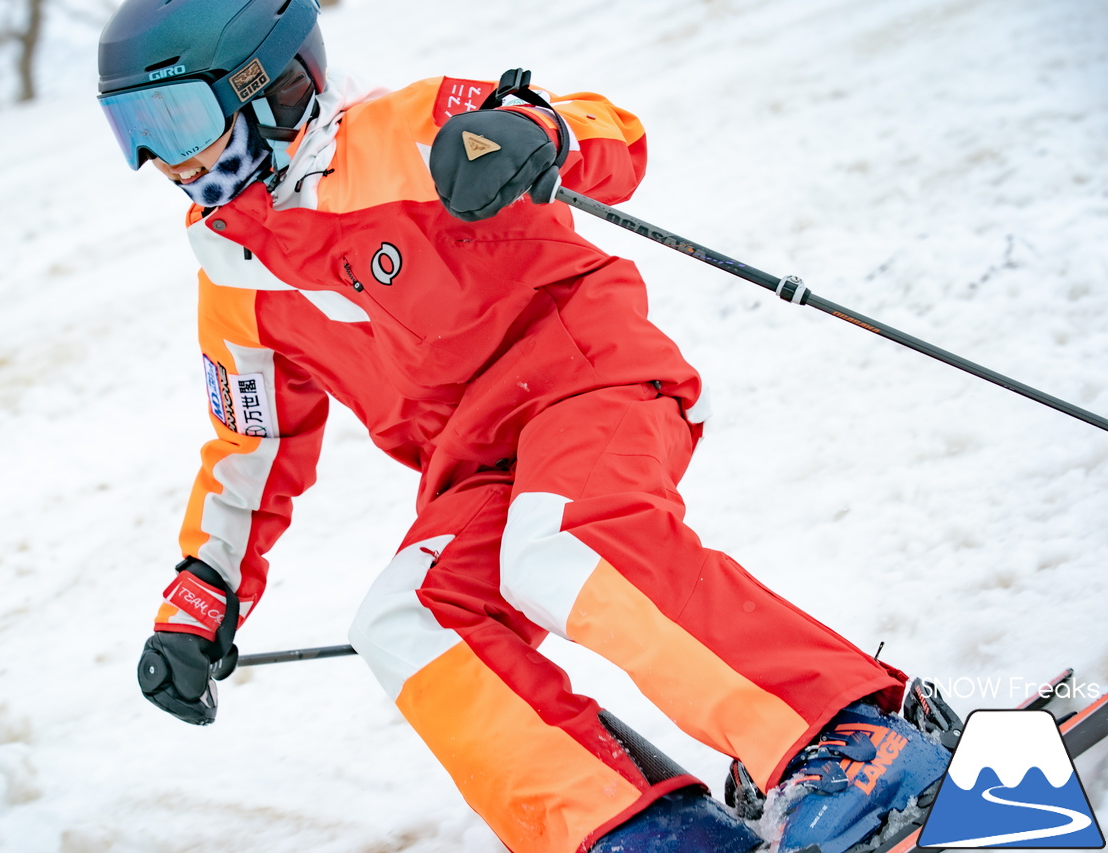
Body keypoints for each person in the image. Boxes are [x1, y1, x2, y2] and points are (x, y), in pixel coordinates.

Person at [97, 2, 950, 851]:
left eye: (174, 119)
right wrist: (203, 591)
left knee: (560, 543)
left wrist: (540, 134)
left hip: (589, 376)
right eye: (131, 128)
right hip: (480, 468)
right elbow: (253, 443)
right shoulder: (233, 276)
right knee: (406, 617)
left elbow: (609, 128)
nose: (155, 161)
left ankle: (853, 736)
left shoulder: (410, 133)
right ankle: (639, 829)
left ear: (273, 88)